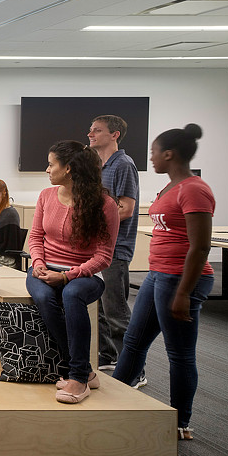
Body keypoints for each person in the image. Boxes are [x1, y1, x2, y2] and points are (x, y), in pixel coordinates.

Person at [113, 124, 213, 441]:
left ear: (169, 154)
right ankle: (113, 403)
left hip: (180, 279)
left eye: (154, 152)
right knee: (133, 342)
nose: (151, 157)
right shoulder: (170, 188)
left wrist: (183, 292)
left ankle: (181, 421)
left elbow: (200, 247)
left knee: (179, 354)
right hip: (158, 275)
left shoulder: (194, 189)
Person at [26, 141, 119, 404]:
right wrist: (39, 261)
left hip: (85, 275)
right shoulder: (46, 195)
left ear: (68, 168)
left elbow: (103, 257)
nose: (47, 169)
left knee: (71, 295)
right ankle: (86, 370)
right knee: (45, 297)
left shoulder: (105, 204)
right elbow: (36, 236)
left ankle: (78, 378)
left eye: (51, 164)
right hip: (44, 267)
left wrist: (68, 276)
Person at [88, 115, 140, 373]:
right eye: (91, 130)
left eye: (97, 130)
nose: (90, 134)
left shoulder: (123, 165)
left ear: (114, 135)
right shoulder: (100, 166)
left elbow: (126, 209)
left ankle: (134, 370)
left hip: (115, 248)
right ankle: (108, 355)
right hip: (97, 246)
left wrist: (92, 220)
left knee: (116, 313)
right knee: (98, 308)